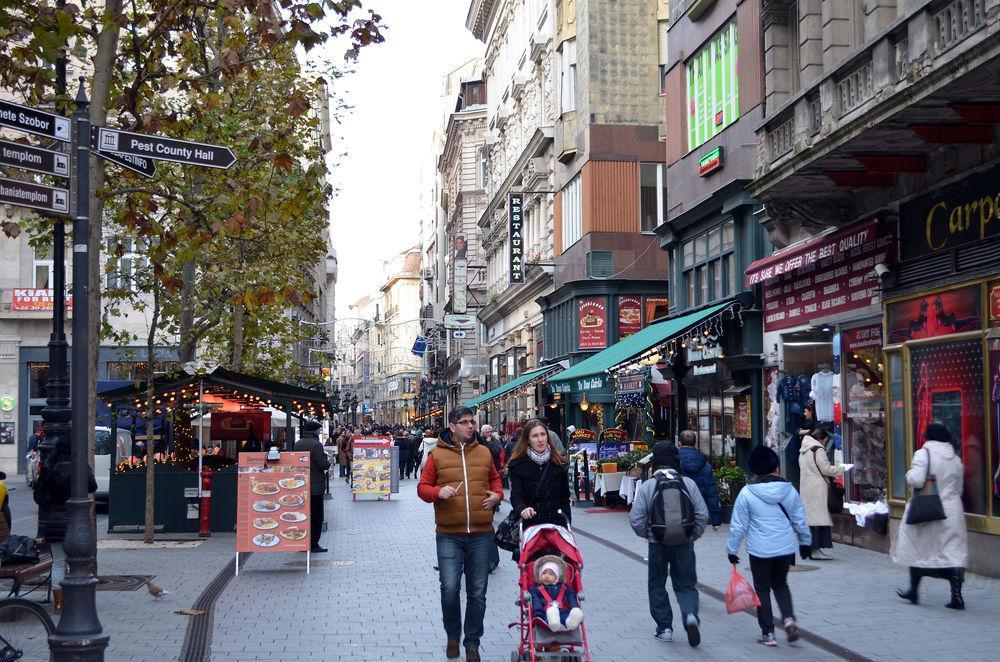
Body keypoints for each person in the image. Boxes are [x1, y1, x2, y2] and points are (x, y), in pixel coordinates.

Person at [417, 406, 503, 662]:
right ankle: (453, 635)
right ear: (452, 426)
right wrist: (437, 493)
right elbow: (422, 488)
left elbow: (496, 481)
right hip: (449, 535)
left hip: (481, 534)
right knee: (450, 589)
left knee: (477, 592)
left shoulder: (485, 452)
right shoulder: (437, 456)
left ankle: (472, 643)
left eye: (472, 422)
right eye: (464, 422)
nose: (470, 427)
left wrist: (497, 496)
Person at [726, 445, 812, 646]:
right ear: (775, 466)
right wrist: (805, 542)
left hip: (759, 549)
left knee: (762, 589)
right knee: (780, 584)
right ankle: (789, 619)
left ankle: (768, 633)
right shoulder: (789, 489)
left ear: (754, 469)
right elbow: (799, 518)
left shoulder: (747, 493)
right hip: (784, 547)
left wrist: (732, 550)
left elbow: (738, 526)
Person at [629, 442, 708, 647]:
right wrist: (692, 535)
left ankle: (664, 628)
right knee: (686, 584)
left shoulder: (648, 486)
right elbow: (702, 514)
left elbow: (636, 519)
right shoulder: (688, 484)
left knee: (657, 584)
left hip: (657, 543)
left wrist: (649, 534)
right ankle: (690, 615)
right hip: (684, 541)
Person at [893, 422, 968, 609]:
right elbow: (959, 486)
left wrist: (909, 474)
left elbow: (917, 479)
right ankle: (956, 597)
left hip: (927, 508)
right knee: (953, 552)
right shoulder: (955, 458)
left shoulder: (923, 454)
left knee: (918, 549)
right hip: (951, 510)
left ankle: (913, 591)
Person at [34, 437, 97, 614]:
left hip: (55, 519)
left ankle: (59, 604)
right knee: (76, 563)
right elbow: (93, 486)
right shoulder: (79, 467)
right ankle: (76, 601)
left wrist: (52, 505)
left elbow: (38, 495)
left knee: (59, 562)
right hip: (76, 520)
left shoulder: (48, 467)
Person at [797, 426, 846, 560]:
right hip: (818, 488)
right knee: (818, 519)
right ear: (821, 438)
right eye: (825, 440)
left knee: (810, 519)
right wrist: (841, 469)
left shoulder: (803, 449)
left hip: (806, 487)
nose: (824, 443)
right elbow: (825, 469)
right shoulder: (818, 449)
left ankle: (810, 549)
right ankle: (815, 550)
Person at [294, 420, 331, 553]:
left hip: (300, 484)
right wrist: (328, 461)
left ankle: (303, 541)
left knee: (304, 515)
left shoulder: (297, 444)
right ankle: (313, 543)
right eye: (319, 430)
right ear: (315, 431)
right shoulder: (316, 445)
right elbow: (322, 464)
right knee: (316, 516)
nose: (319, 432)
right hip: (315, 486)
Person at [677, 430, 722, 531]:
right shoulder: (705, 466)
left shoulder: (674, 463)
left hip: (678, 512)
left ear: (679, 443)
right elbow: (712, 493)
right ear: (695, 443)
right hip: (699, 512)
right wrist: (716, 520)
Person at [528, 555, 584, 632]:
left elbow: (572, 598)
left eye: (551, 574)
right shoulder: (535, 589)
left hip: (564, 611)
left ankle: (571, 622)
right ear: (539, 575)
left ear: (557, 577)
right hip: (546, 613)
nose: (547, 576)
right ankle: (554, 623)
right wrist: (538, 614)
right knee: (551, 614)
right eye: (544, 573)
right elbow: (536, 601)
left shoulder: (565, 588)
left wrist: (574, 607)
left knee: (568, 615)